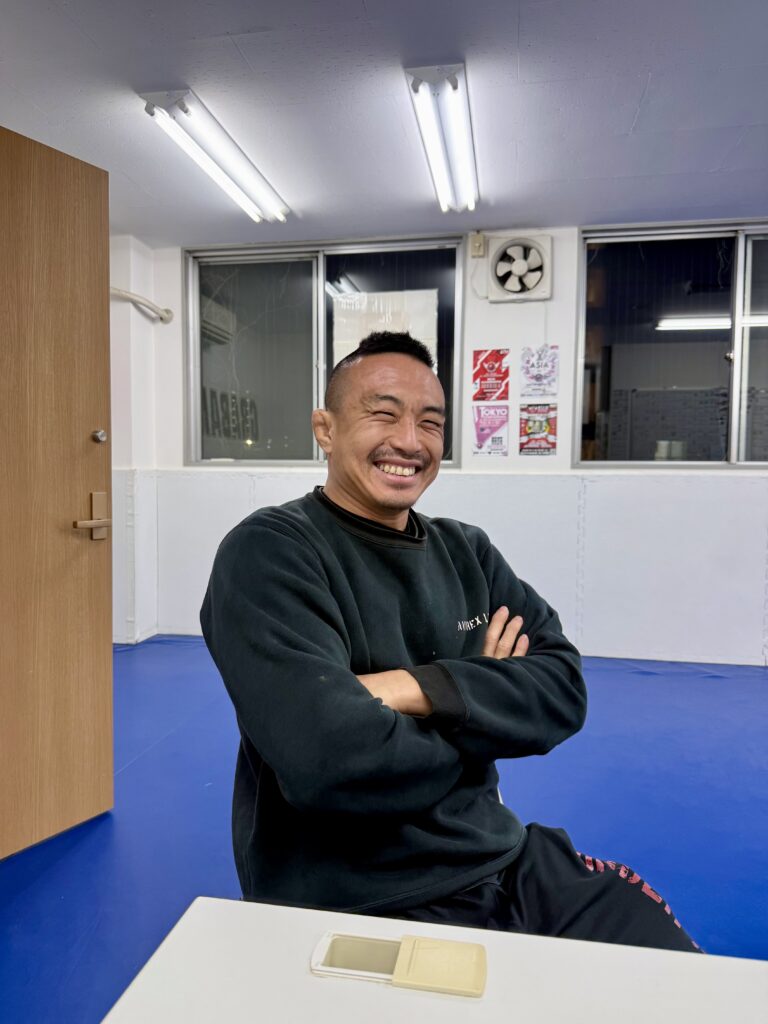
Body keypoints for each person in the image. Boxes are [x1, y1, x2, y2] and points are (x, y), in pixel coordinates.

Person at [200, 331, 700, 953]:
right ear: (325, 429)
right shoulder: (272, 551)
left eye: (430, 423)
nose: (410, 442)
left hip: (503, 854)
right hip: (363, 893)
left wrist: (410, 689)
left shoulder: (467, 551)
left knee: (675, 969)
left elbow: (562, 692)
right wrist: (482, 712)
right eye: (383, 414)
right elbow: (327, 760)